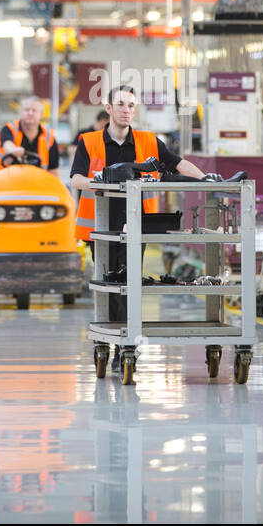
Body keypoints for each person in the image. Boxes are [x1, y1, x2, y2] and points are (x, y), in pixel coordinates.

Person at [69, 85, 205, 371]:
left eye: (131, 105)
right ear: (108, 108)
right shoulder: (89, 141)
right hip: (100, 229)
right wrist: (103, 179)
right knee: (108, 287)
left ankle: (125, 346)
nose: (126, 110)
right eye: (120, 104)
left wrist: (207, 179)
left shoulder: (148, 141)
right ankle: (111, 340)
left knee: (130, 286)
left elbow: (177, 163)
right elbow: (76, 180)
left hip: (136, 227)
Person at [0, 95, 60, 171]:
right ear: (21, 112)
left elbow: (54, 169)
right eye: (27, 110)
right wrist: (13, 150)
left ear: (41, 115)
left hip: (35, 181)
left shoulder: (49, 137)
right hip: (3, 179)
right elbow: (7, 144)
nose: (30, 113)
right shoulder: (10, 128)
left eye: (34, 110)